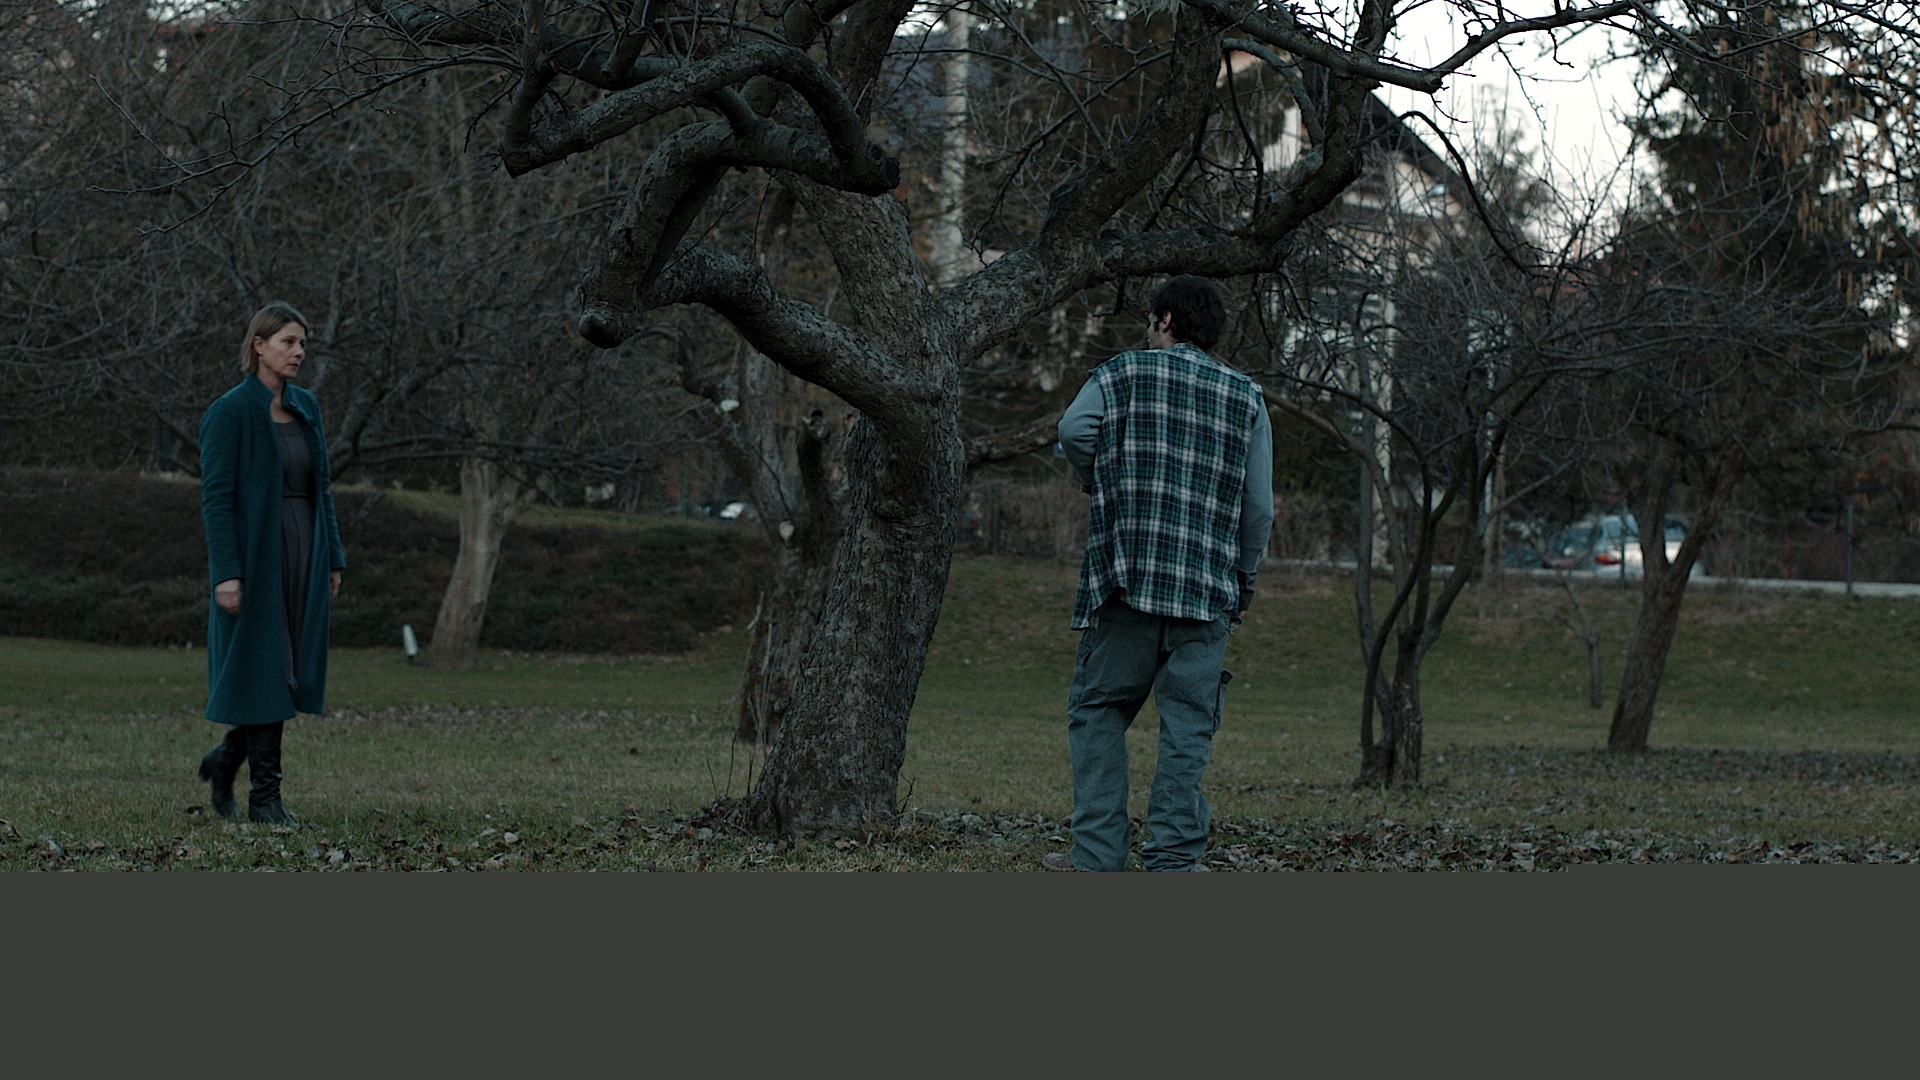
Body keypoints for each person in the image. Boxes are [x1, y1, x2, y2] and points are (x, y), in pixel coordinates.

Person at [1046, 275, 1273, 872]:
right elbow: (1258, 508)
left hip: (1129, 580)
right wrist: (1243, 579)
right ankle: (1173, 860)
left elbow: (1072, 432)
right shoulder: (1246, 397)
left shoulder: (1119, 373)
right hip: (1206, 591)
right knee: (1187, 728)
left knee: (1099, 711)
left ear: (1165, 320)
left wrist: (1102, 479)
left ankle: (1098, 858)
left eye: (1151, 319)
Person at [196, 302, 345, 825]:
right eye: (288, 342)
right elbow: (216, 500)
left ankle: (225, 760)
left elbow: (321, 487)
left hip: (304, 550)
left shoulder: (306, 407)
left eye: (302, 343)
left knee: (285, 671)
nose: (298, 352)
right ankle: (266, 800)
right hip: (256, 556)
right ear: (258, 346)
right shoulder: (230, 412)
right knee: (266, 667)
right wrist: (226, 573)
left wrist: (333, 557)